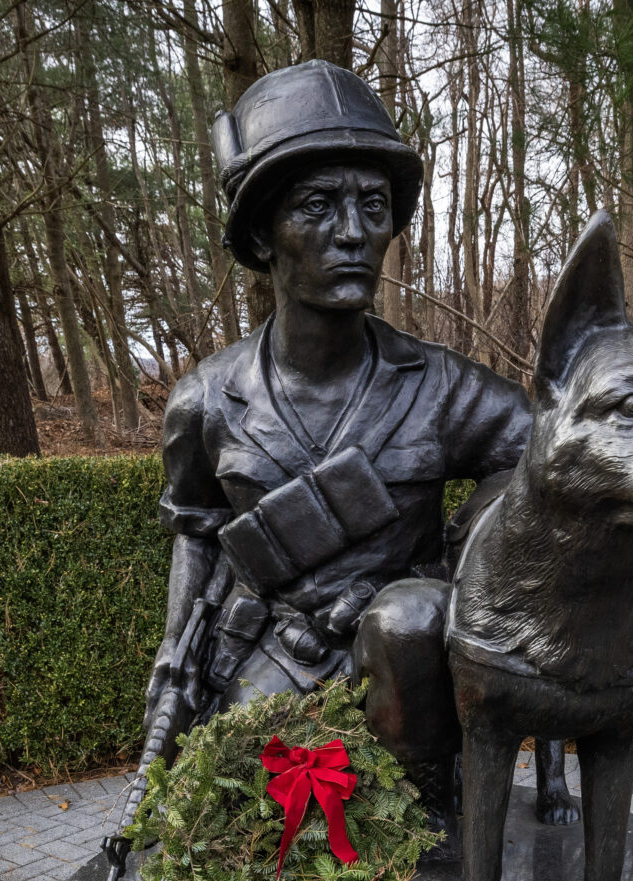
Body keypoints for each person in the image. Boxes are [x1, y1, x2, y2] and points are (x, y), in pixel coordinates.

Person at [156, 60, 529, 731]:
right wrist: (172, 663)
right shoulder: (205, 402)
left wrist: (460, 562)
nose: (354, 233)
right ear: (264, 234)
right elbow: (199, 534)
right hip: (272, 671)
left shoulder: (441, 386)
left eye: (374, 206)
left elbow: (546, 456)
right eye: (319, 206)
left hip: (412, 686)